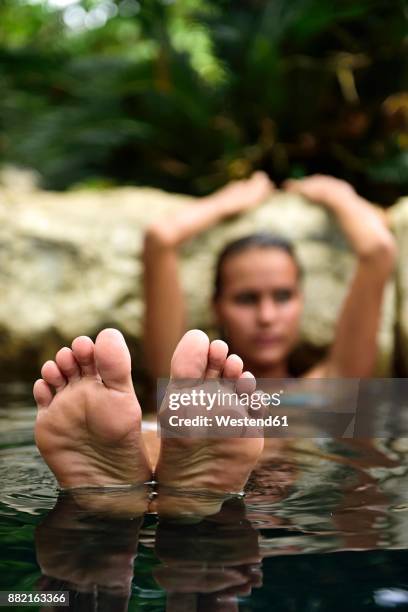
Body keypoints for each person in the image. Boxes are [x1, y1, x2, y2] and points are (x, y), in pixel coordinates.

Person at [143, 173, 396, 380]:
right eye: (246, 299)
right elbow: (161, 238)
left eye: (283, 296)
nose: (267, 317)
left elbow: (377, 251)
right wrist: (222, 204)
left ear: (302, 300)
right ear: (217, 307)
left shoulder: (329, 392)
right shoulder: (184, 387)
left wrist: (338, 195)